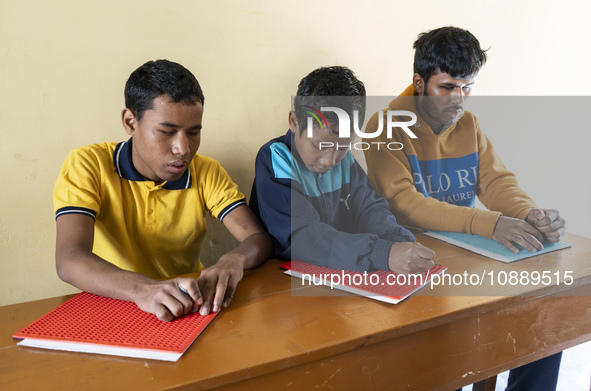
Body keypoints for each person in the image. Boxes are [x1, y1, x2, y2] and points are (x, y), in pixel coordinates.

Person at [363, 26, 563, 391]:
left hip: (469, 257)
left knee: (545, 318)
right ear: (419, 83)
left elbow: (496, 182)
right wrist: (488, 223)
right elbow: (404, 205)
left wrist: (528, 214)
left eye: (467, 87)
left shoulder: (468, 124)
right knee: (452, 356)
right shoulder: (383, 127)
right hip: (416, 269)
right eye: (448, 87)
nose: (459, 99)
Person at [53, 59, 272, 322]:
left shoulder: (206, 171)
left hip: (186, 309)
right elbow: (69, 259)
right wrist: (142, 289)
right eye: (167, 132)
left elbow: (257, 239)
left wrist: (232, 260)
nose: (183, 148)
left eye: (193, 132)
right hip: (112, 306)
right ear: (131, 122)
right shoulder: (89, 165)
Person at [250, 66, 435, 274]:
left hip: (342, 272)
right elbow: (303, 236)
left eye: (343, 147)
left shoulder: (344, 160)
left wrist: (393, 241)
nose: (330, 160)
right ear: (294, 122)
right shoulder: (276, 159)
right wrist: (380, 253)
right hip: (286, 283)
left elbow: (371, 208)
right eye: (320, 146)